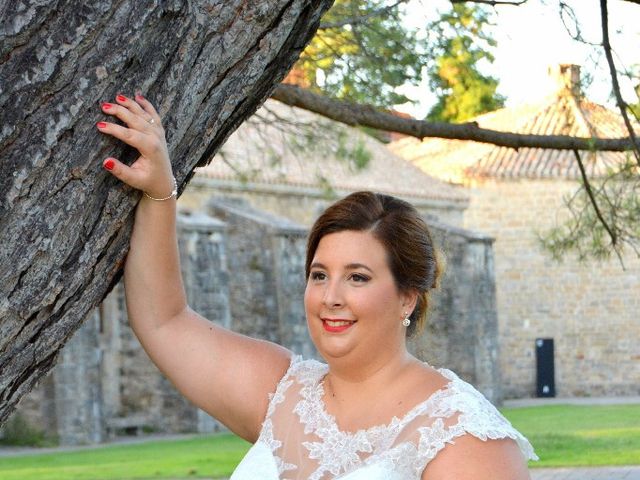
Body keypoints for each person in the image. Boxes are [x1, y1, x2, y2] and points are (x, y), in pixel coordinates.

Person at [97, 93, 537, 479]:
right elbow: (163, 321)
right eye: (319, 275)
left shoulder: (462, 433)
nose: (331, 298)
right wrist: (160, 192)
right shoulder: (281, 393)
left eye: (358, 277)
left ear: (407, 296)